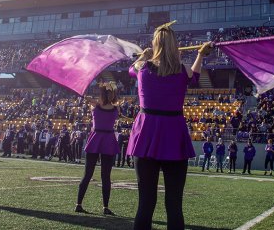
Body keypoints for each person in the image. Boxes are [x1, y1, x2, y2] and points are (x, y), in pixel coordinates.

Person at [127, 21, 211, 230]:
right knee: (174, 203)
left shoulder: (142, 68)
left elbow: (131, 69)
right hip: (173, 136)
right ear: (174, 45)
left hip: (146, 135)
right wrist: (201, 54)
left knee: (145, 203)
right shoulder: (182, 71)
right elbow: (196, 77)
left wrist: (144, 55)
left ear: (155, 44)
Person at [75, 82, 120, 216]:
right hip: (108, 140)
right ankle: (105, 207)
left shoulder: (94, 106)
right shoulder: (116, 109)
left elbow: (89, 100)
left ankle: (78, 204)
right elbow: (113, 107)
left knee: (87, 174)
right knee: (106, 177)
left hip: (96, 138)